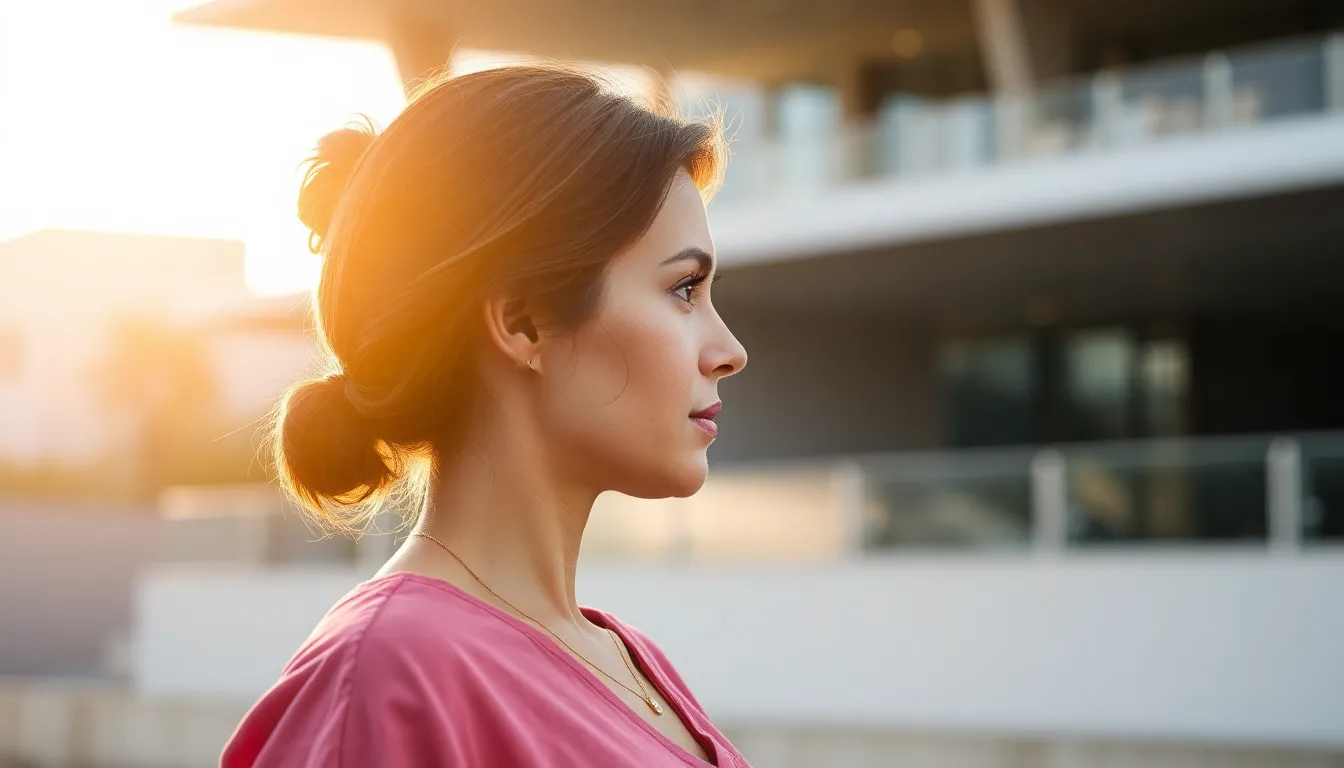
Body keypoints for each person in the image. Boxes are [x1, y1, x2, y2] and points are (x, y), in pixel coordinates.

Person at [220, 63, 749, 767]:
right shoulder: (388, 673)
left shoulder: (631, 658)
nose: (730, 351)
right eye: (684, 289)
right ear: (524, 322)